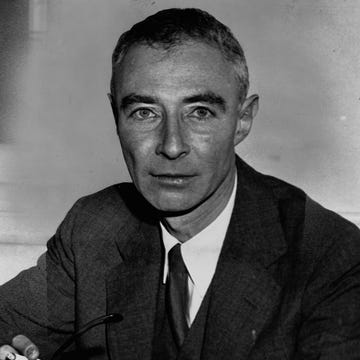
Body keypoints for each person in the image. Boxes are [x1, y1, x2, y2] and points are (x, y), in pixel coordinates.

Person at [0, 7, 360, 360]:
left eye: (199, 112)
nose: (171, 146)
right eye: (145, 112)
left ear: (242, 120)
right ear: (116, 117)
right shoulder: (96, 227)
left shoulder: (331, 257)